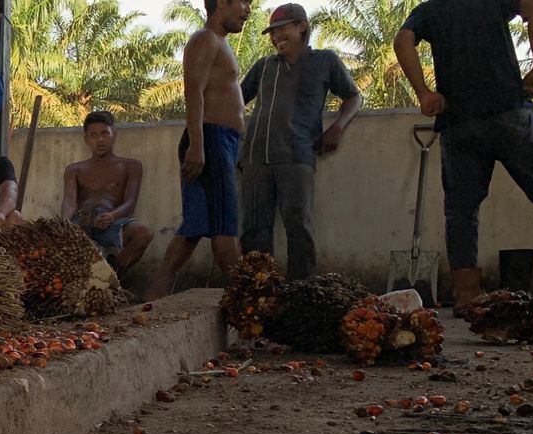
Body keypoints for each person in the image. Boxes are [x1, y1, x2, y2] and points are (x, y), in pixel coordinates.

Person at [395, 0, 533, 313]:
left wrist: (424, 93)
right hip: (509, 113)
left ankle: (466, 294)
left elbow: (402, 40)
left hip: (460, 124)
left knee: (461, 210)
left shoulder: (431, 9)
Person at [239, 4, 362, 280]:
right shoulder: (265, 67)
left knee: (299, 227)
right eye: (271, 33)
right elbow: (236, 100)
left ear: (302, 27)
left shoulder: (325, 61)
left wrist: (338, 127)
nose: (275, 37)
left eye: (281, 30)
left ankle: (301, 293)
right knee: (253, 231)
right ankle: (256, 297)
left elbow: (354, 97)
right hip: (254, 158)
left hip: (297, 156)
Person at [145, 0, 253, 300]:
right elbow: (193, 92)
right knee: (224, 227)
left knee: (195, 226)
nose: (248, 9)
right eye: (243, 2)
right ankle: (247, 307)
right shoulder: (204, 40)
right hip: (210, 139)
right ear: (220, 4)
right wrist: (197, 145)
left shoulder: (219, 42)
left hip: (219, 141)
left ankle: (153, 296)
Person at [61, 111, 154, 275]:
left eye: (105, 133)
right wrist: (66, 225)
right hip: (81, 221)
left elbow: (130, 202)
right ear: (86, 139)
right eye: (93, 135)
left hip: (111, 221)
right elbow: (70, 201)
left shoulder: (131, 166)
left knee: (144, 233)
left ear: (114, 135)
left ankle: (112, 274)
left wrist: (112, 216)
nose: (100, 140)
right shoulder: (75, 169)